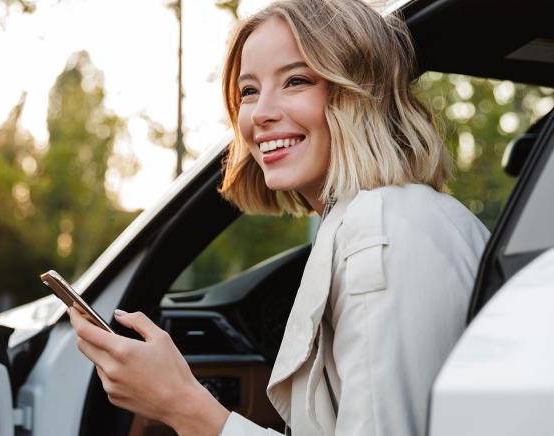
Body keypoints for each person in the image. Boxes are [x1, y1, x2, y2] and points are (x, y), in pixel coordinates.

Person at [69, 0, 489, 435]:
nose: (260, 113)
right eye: (249, 90)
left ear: (359, 93)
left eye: (296, 80)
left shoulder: (381, 229)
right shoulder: (394, 217)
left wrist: (184, 405)